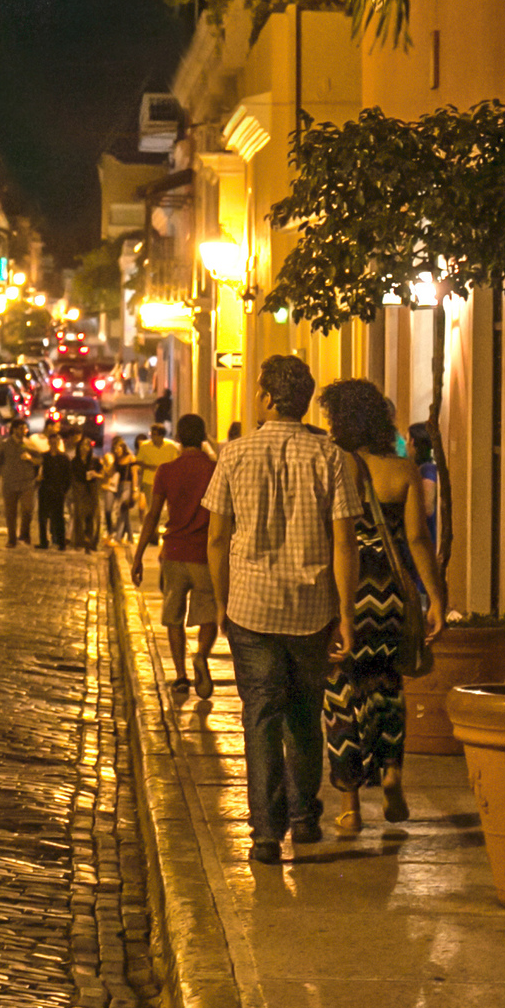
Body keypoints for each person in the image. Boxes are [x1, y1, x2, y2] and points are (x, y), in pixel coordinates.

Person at [205, 355, 363, 865]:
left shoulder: (234, 453)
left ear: (270, 398)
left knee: (260, 718)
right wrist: (346, 614)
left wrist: (222, 600)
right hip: (312, 607)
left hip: (251, 605)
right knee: (303, 716)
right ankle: (303, 817)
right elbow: (345, 541)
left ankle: (265, 834)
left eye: (257, 390)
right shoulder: (331, 456)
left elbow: (215, 537)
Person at [318, 379, 448, 836]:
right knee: (387, 685)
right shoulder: (404, 470)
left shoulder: (335, 466)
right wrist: (435, 595)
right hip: (391, 592)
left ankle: (350, 805)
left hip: (345, 590)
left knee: (340, 694)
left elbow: (334, 538)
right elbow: (416, 539)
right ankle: (391, 772)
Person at [132, 414, 220, 698]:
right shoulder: (215, 469)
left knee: (173, 616)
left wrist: (138, 555)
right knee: (209, 615)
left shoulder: (167, 470)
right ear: (204, 436)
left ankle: (181, 676)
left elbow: (153, 515)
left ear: (179, 438)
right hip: (205, 554)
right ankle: (201, 657)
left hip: (173, 553)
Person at [0, 421, 40, 547]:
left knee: (27, 509)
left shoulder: (29, 444)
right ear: (14, 429)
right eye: (20, 428)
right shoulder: (5, 445)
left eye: (24, 429)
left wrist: (30, 458)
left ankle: (24, 533)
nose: (23, 431)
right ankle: (11, 539)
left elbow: (40, 460)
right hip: (9, 482)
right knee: (10, 513)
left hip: (27, 482)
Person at [37, 430, 75, 550]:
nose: (53, 444)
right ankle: (44, 542)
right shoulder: (45, 457)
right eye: (51, 442)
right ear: (49, 443)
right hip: (45, 489)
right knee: (42, 517)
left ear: (58, 443)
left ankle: (61, 542)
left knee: (58, 517)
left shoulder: (64, 458)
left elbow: (68, 477)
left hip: (58, 491)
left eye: (55, 442)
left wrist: (64, 490)